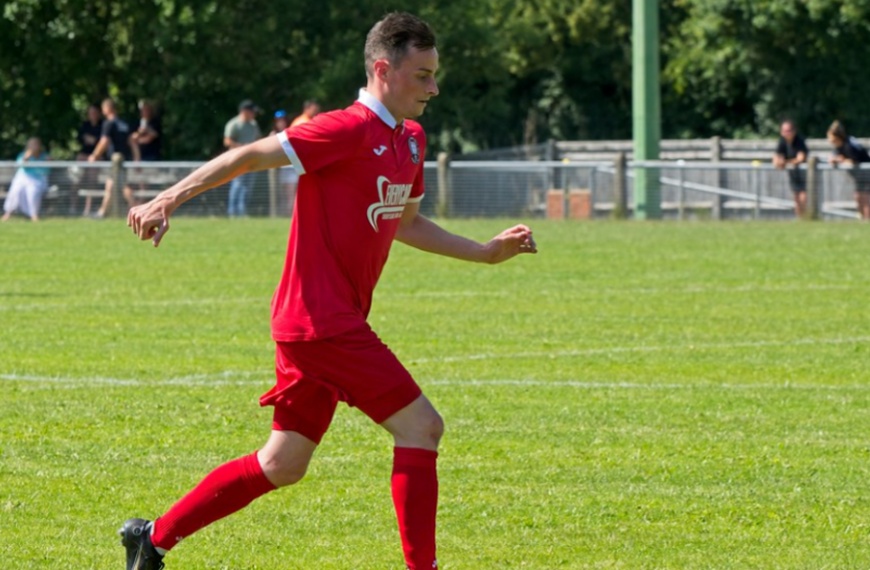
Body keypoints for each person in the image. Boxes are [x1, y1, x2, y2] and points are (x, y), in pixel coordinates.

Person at [122, 12, 537, 570]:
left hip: (320, 325)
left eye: (435, 74)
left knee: (283, 462)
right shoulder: (343, 129)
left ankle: (152, 538)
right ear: (384, 69)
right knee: (422, 426)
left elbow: (407, 223)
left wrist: (485, 252)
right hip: (322, 323)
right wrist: (167, 198)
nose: (434, 88)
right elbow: (248, 155)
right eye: (422, 75)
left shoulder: (410, 140)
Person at [88, 97, 140, 217]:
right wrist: (137, 159)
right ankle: (102, 212)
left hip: (115, 161)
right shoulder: (124, 124)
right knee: (110, 187)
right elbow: (132, 142)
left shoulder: (108, 124)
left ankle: (137, 209)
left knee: (122, 186)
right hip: (124, 160)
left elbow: (104, 141)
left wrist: (94, 156)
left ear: (107, 108)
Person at [223, 99, 262, 216]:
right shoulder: (234, 124)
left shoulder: (253, 124)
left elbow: (258, 138)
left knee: (248, 186)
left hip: (251, 160)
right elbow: (227, 141)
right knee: (237, 185)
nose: (253, 114)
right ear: (244, 111)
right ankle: (232, 212)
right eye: (252, 112)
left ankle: (242, 211)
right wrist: (242, 147)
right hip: (237, 159)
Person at [827, 120, 870, 219]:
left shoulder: (848, 146)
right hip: (860, 177)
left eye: (831, 137)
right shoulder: (840, 145)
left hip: (866, 174)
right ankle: (862, 220)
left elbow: (853, 161)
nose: (829, 140)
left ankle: (867, 220)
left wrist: (840, 160)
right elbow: (834, 157)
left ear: (837, 137)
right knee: (858, 197)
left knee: (865, 198)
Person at [2, 137, 51, 222]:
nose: (34, 147)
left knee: (32, 191)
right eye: (32, 145)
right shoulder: (23, 155)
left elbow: (46, 171)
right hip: (23, 178)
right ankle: (8, 213)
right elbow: (19, 166)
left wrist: (49, 162)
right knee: (15, 191)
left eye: (36, 145)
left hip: (37, 180)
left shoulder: (45, 156)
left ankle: (33, 214)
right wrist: (25, 158)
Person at [772, 119, 809, 217]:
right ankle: (799, 218)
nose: (786, 133)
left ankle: (806, 217)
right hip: (793, 173)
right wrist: (779, 162)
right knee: (796, 196)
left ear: (794, 131)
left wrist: (785, 162)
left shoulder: (799, 141)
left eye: (788, 131)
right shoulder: (782, 141)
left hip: (804, 173)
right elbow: (776, 159)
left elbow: (801, 158)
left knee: (803, 194)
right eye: (784, 131)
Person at [73, 103, 104, 214]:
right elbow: (80, 138)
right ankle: (73, 206)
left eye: (94, 113)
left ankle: (88, 208)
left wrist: (94, 141)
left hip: (96, 159)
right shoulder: (85, 125)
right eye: (90, 113)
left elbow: (102, 142)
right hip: (84, 157)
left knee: (91, 181)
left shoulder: (103, 126)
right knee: (76, 180)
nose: (92, 115)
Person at [270, 110, 298, 215]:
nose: (280, 123)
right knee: (280, 195)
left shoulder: (290, 132)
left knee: (290, 194)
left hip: (291, 168)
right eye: (278, 121)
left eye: (282, 120)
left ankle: (289, 215)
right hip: (277, 170)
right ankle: (281, 215)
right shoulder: (272, 135)